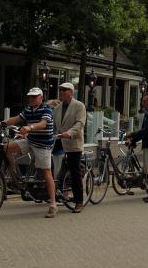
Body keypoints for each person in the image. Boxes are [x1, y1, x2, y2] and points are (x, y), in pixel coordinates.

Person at [0, 87, 57, 218]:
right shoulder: (28, 109)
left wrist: (30, 127)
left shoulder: (46, 109)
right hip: (30, 141)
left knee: (46, 172)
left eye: (34, 97)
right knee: (5, 147)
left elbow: (43, 123)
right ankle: (15, 175)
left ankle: (53, 204)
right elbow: (15, 119)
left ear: (41, 98)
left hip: (43, 145)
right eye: (30, 97)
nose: (31, 99)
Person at [53, 83, 86, 213]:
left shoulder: (79, 106)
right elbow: (55, 126)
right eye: (60, 90)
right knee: (48, 164)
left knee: (74, 172)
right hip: (60, 140)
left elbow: (80, 123)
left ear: (71, 92)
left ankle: (79, 201)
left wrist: (70, 133)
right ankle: (55, 193)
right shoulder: (57, 108)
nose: (61, 92)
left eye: (64, 90)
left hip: (73, 142)